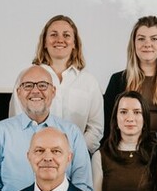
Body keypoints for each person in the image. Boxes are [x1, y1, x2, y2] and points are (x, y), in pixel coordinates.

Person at [0, 65, 93, 191]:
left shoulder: (72, 133)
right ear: (19, 92)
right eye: (28, 85)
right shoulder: (0, 131)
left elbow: (82, 185)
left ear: (53, 92)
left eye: (42, 85)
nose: (35, 91)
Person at [9, 15, 104, 153]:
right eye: (53, 34)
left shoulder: (89, 82)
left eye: (66, 35)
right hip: (33, 159)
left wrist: (72, 153)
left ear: (74, 43)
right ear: (45, 42)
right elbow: (17, 122)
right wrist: (39, 154)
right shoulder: (25, 77)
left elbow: (95, 128)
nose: (60, 40)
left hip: (76, 158)